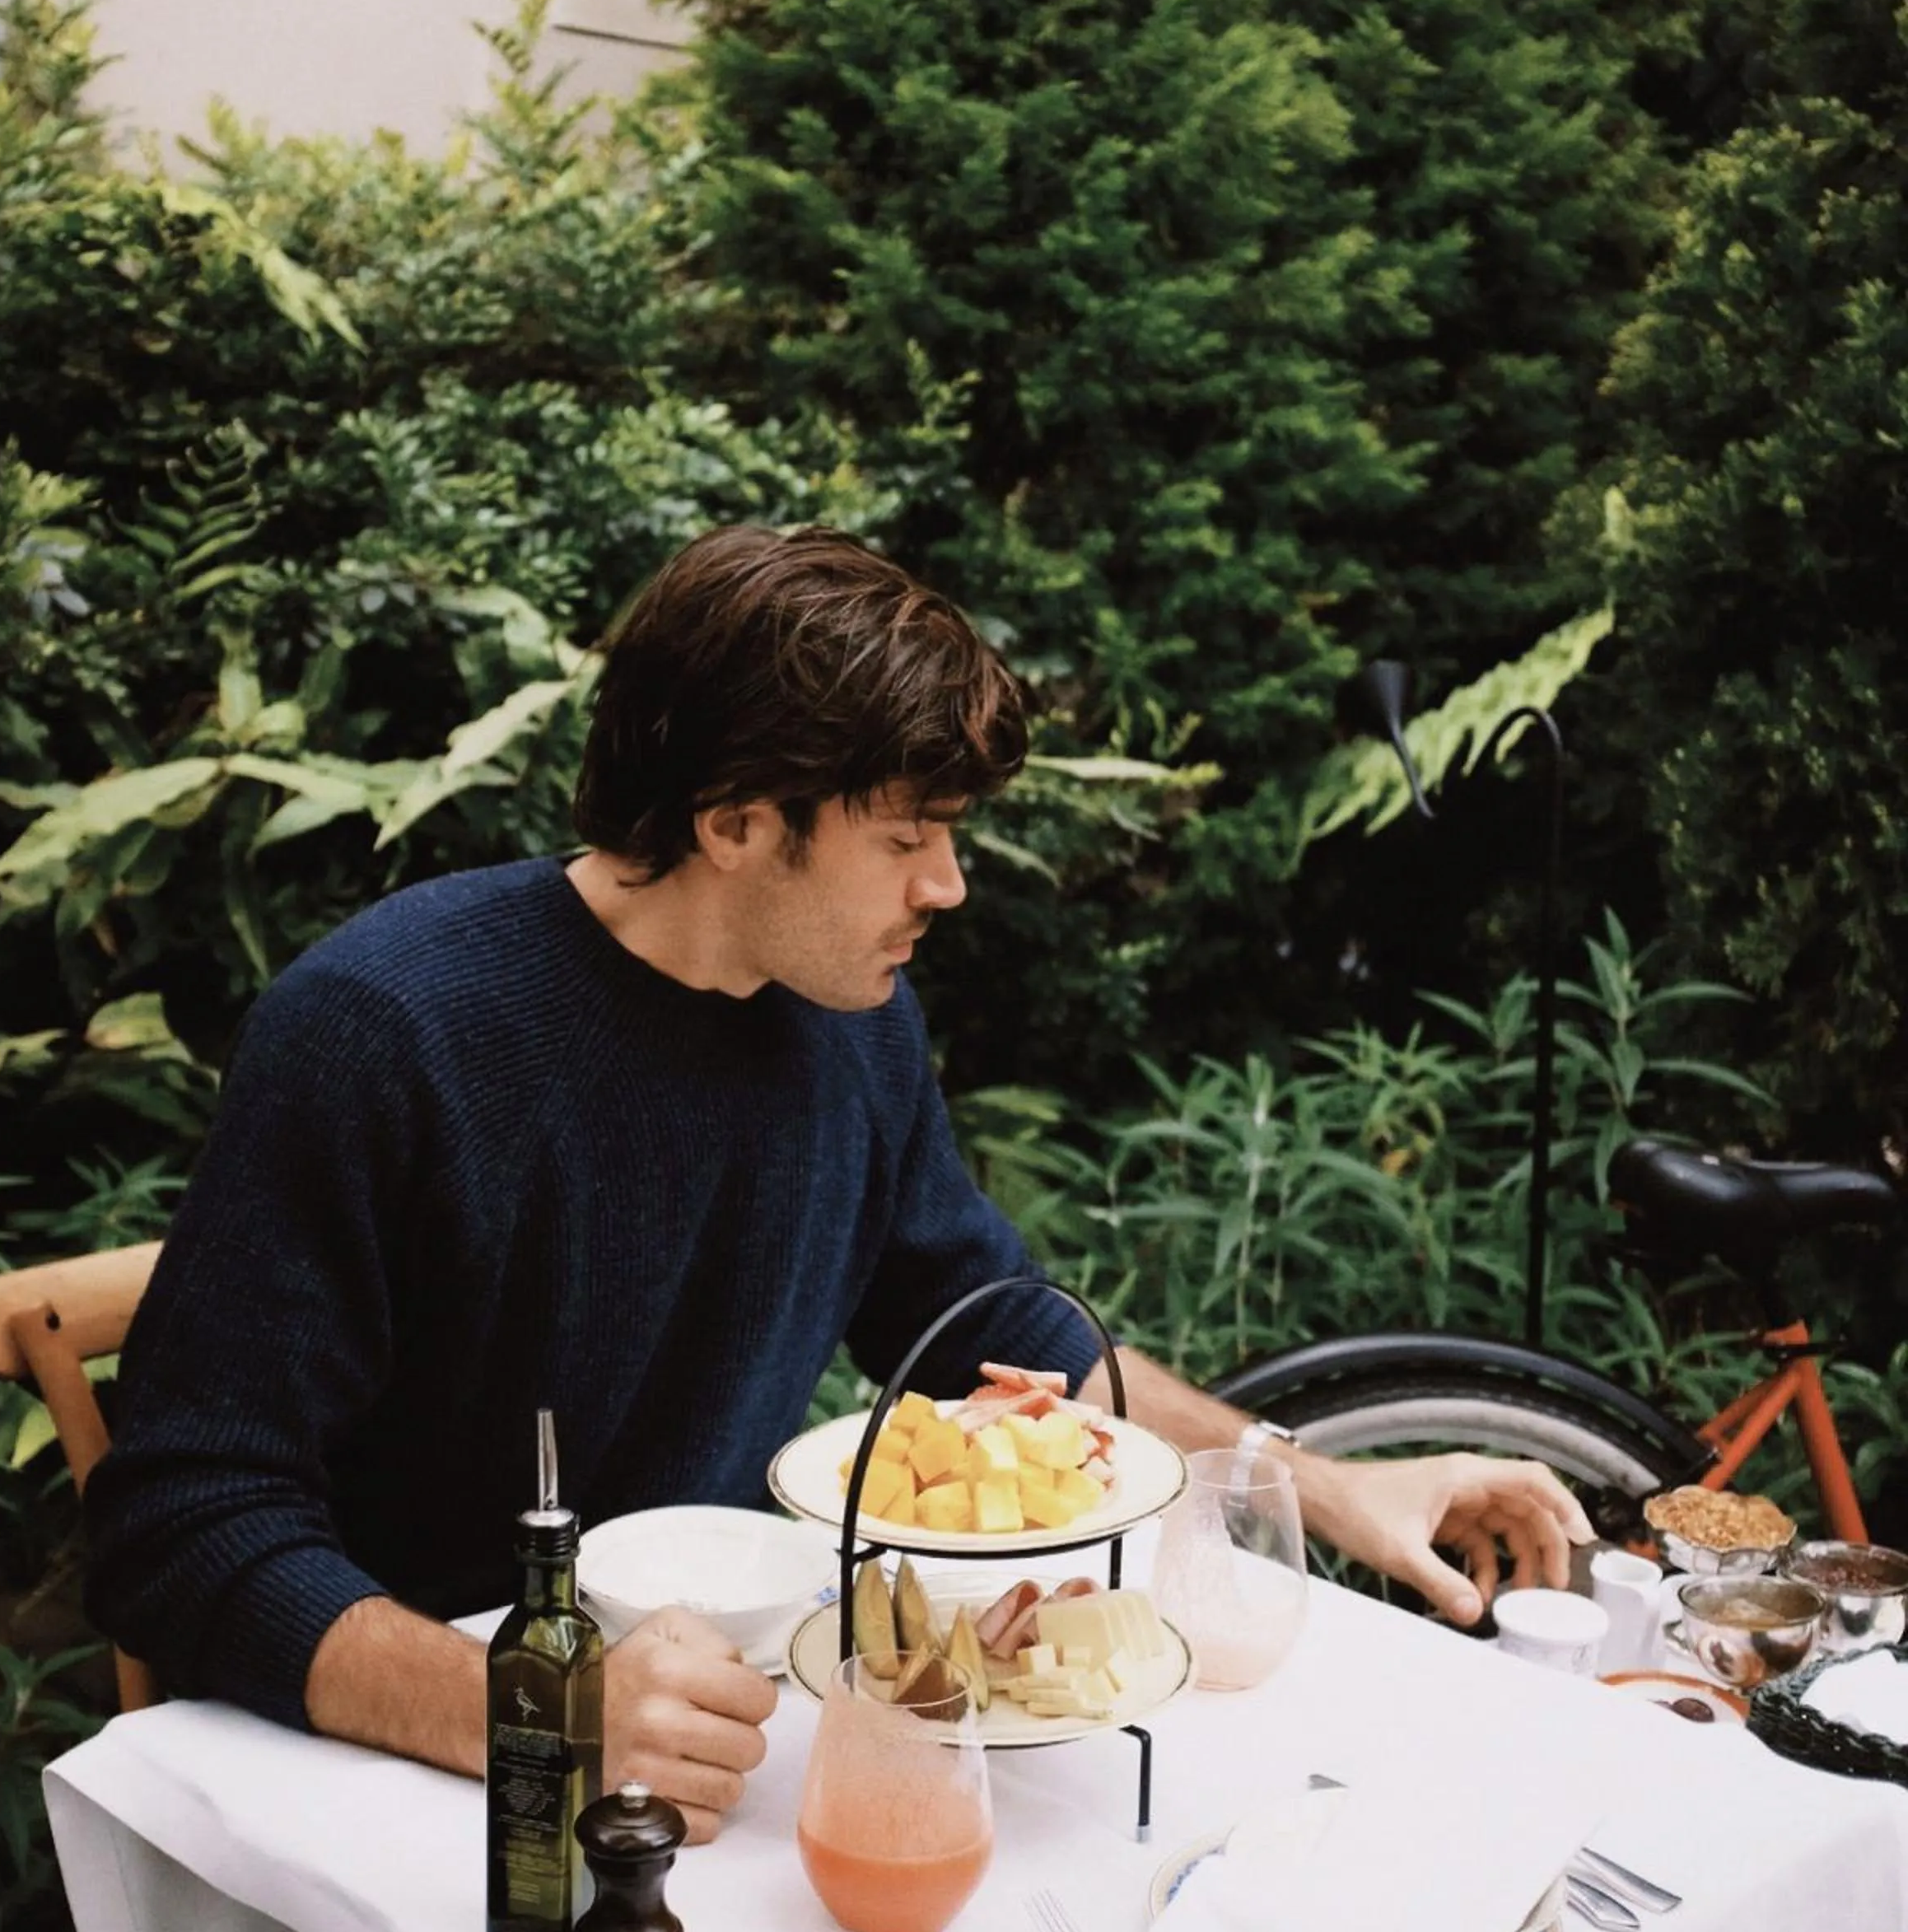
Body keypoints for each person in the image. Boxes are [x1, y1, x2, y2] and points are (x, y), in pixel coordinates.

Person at [86, 525, 1590, 1842]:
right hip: (445, 1777)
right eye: (907, 837)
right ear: (736, 821)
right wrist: (538, 1711)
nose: (947, 885)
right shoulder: (388, 1032)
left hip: (733, 1725)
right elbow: (181, 1522)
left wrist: (1318, 1486)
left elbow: (1006, 1345)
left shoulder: (848, 1021)